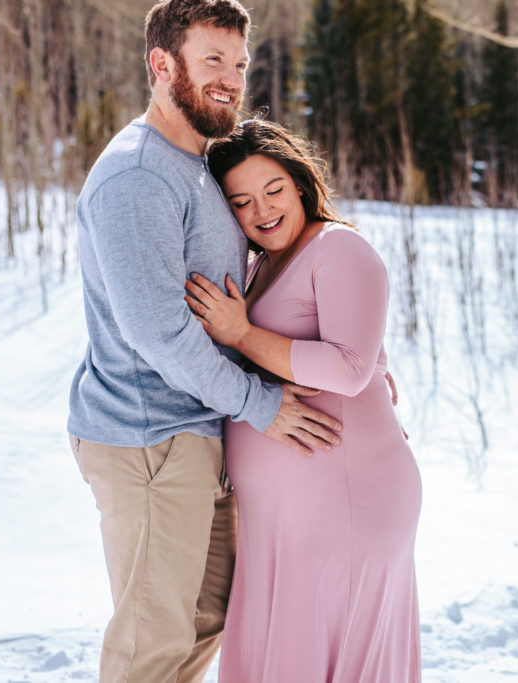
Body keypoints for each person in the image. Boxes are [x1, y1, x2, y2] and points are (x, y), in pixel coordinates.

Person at [66, 2, 341, 681]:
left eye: (240, 64)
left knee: (206, 617)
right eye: (211, 60)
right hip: (148, 437)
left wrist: (352, 358)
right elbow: (158, 331)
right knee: (151, 640)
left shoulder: (200, 164)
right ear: (163, 65)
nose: (230, 79)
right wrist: (262, 403)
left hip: (200, 429)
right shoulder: (137, 178)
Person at [184, 118, 423, 682]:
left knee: (320, 655)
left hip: (345, 501)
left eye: (273, 190)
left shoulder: (340, 248)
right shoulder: (261, 265)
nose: (262, 210)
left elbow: (349, 366)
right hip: (283, 515)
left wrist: (241, 334)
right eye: (241, 201)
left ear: (300, 183)